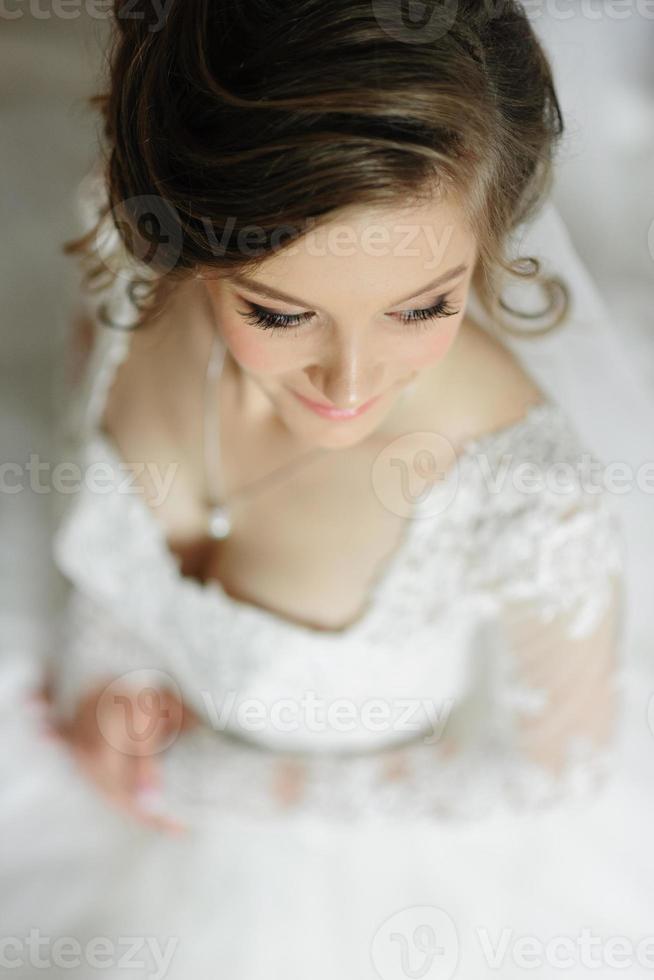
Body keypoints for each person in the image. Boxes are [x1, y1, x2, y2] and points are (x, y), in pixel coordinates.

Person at [6, 1, 642, 976]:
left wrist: (197, 779)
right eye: (278, 309)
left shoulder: (526, 493)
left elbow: (555, 770)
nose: (350, 384)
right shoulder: (118, 257)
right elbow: (101, 519)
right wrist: (116, 684)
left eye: (423, 304)